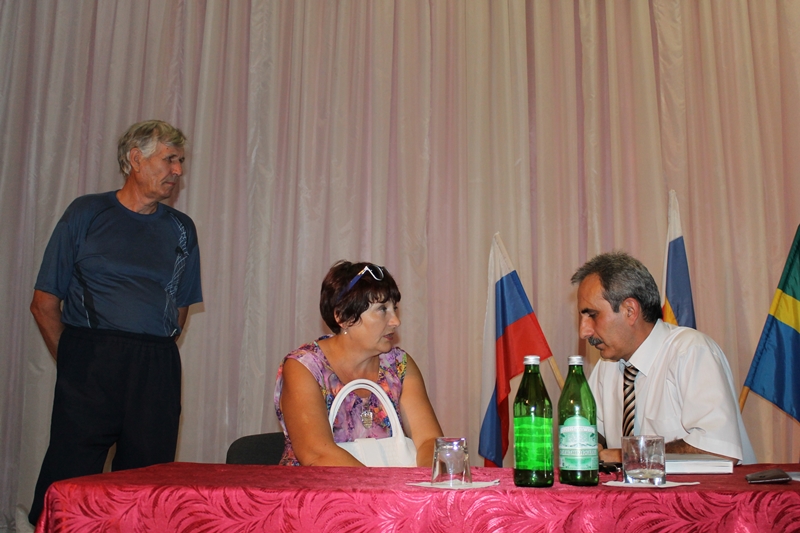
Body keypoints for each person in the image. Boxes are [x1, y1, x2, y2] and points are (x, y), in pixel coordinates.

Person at [28, 120, 203, 525]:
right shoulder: (86, 213)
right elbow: (44, 303)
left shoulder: (182, 229)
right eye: (170, 159)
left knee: (148, 485)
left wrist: (148, 349)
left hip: (156, 364)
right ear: (135, 159)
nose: (178, 171)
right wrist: (75, 360)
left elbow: (178, 309)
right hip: (91, 357)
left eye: (180, 161)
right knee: (70, 477)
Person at [571, 251, 755, 465]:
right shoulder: (607, 363)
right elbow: (596, 429)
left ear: (630, 310)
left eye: (592, 315)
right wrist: (591, 444)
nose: (584, 332)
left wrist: (630, 454)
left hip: (709, 487)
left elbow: (718, 448)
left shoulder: (690, 351)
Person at [274, 261, 443, 467]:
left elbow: (429, 441)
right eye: (382, 309)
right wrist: (378, 486)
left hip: (385, 486)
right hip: (315, 487)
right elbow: (317, 454)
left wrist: (425, 481)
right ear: (343, 317)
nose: (396, 321)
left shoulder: (399, 366)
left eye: (394, 308)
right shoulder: (304, 367)